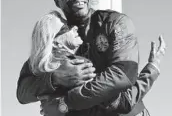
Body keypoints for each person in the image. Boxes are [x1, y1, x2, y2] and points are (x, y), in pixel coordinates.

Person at [17, 0, 166, 116]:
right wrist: (55, 78)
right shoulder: (57, 37)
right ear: (57, 0)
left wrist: (65, 103)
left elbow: (123, 76)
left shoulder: (115, 23)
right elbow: (23, 91)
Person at [28, 9, 165, 116]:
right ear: (56, 42)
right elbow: (125, 102)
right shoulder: (78, 68)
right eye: (66, 28)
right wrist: (152, 68)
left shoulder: (42, 73)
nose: (74, 28)